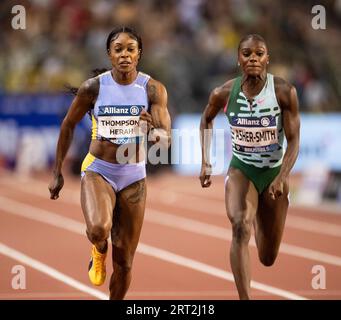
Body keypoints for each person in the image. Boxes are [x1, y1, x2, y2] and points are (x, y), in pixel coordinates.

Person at [48, 27, 171, 300]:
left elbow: (165, 139)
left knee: (125, 262)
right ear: (109, 54)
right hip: (98, 170)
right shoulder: (94, 87)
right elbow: (68, 125)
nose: (125, 55)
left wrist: (152, 131)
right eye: (118, 49)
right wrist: (57, 172)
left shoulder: (153, 89)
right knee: (98, 229)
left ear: (139, 54)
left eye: (130, 49)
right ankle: (98, 249)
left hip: (133, 175)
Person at [199, 34, 300, 300]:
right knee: (240, 226)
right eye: (247, 54)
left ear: (268, 59)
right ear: (238, 59)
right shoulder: (222, 93)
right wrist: (205, 160)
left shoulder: (283, 92)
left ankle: (258, 211)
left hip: (273, 172)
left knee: (267, 257)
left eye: (259, 54)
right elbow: (206, 120)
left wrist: (282, 176)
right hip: (242, 169)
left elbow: (294, 142)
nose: (253, 58)